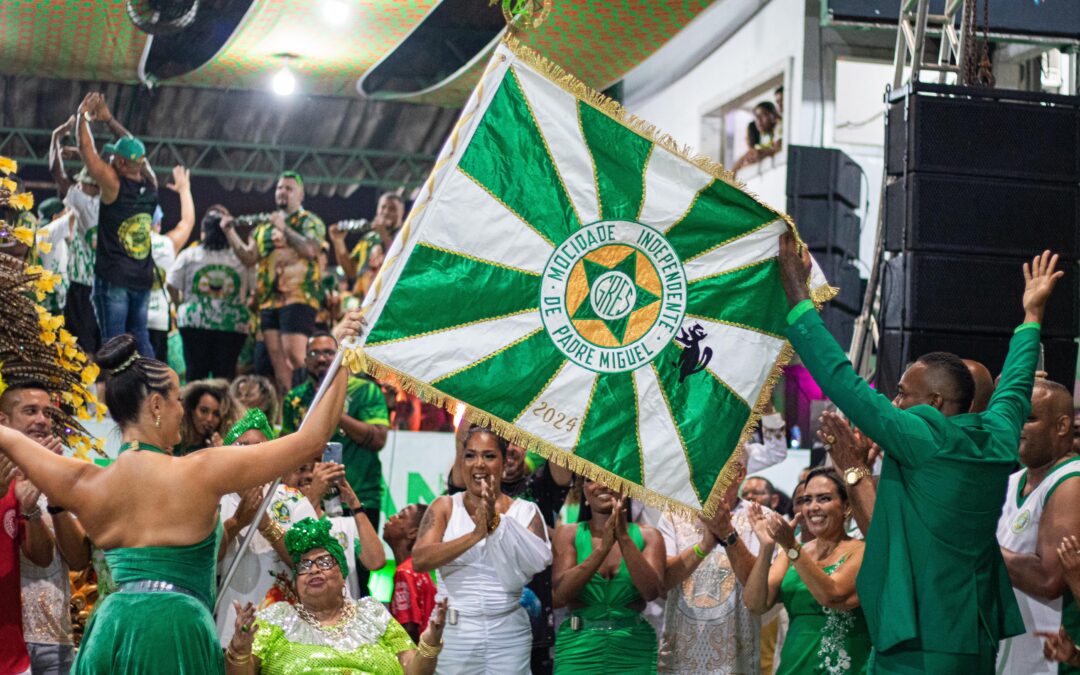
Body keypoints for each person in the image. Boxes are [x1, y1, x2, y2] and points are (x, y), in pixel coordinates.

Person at [0, 307, 361, 674]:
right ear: (156, 405)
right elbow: (312, 439)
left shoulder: (85, 481)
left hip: (110, 629)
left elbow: (10, 439)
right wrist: (344, 354)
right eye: (176, 398)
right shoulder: (201, 469)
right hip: (174, 631)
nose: (181, 409)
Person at [777, 234, 1063, 671]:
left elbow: (842, 381)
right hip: (973, 636)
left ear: (933, 404)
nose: (892, 403)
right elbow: (1016, 385)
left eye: (901, 393)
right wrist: (1032, 314)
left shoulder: (923, 438)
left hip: (918, 642)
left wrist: (798, 296)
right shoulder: (998, 437)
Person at [225, 517, 448, 674]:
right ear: (296, 581)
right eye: (304, 566)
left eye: (323, 562)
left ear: (342, 575)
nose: (313, 570)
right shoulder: (278, 617)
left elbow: (413, 671)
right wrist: (239, 650)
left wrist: (430, 642)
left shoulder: (372, 612)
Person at [412, 426, 552, 674]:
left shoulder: (526, 511)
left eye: (489, 456)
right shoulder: (445, 506)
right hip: (454, 631)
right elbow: (420, 560)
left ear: (502, 461)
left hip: (509, 632)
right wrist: (477, 534)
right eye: (470, 455)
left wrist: (498, 523)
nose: (479, 464)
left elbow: (538, 563)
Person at [282, 331, 389, 594]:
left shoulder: (365, 391)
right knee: (306, 568)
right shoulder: (294, 399)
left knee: (359, 575)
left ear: (341, 357)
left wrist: (333, 412)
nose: (322, 358)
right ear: (305, 360)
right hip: (305, 498)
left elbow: (378, 438)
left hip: (357, 494)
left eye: (329, 352)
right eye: (315, 353)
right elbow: (285, 450)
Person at [744, 467, 871, 674]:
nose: (813, 507)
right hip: (793, 668)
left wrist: (792, 547)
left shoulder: (861, 551)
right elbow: (755, 603)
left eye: (824, 499)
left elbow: (832, 594)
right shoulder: (791, 552)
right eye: (806, 500)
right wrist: (767, 546)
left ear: (846, 506)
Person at [3, 384, 93, 675]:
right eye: (30, 411)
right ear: (3, 421)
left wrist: (54, 492)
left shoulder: (65, 473)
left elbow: (79, 559)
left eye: (47, 413)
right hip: (10, 638)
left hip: (55, 637)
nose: (42, 419)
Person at [997, 379, 1080, 674]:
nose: (1017, 426)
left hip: (1048, 661)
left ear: (1061, 426)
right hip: (1007, 653)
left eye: (1029, 418)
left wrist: (978, 542)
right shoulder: (1013, 480)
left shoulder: (1072, 481)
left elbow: (1049, 580)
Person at [657, 461, 767, 673]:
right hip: (680, 655)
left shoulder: (761, 517)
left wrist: (727, 533)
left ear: (739, 473)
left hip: (736, 657)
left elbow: (759, 593)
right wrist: (704, 546)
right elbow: (662, 583)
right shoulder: (674, 515)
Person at [222, 171, 326, 392]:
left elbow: (310, 249)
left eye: (288, 188)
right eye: (279, 188)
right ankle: (290, 412)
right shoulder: (263, 229)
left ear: (301, 194)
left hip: (298, 297)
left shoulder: (309, 221)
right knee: (279, 365)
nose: (282, 192)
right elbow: (249, 257)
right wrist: (230, 233)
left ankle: (318, 401)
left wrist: (284, 228)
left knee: (296, 356)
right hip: (269, 301)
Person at [76, 92, 160, 357]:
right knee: (141, 337)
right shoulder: (151, 184)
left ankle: (119, 396)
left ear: (122, 163)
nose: (110, 160)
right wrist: (109, 120)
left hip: (114, 278)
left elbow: (85, 151)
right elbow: (139, 153)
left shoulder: (114, 186)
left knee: (114, 343)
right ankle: (153, 390)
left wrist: (82, 117)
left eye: (114, 158)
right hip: (142, 278)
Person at [551, 480, 664, 674]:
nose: (602, 484)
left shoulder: (649, 536)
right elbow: (562, 593)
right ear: (584, 490)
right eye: (591, 479)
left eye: (610, 476)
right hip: (578, 649)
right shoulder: (567, 534)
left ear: (626, 487)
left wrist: (624, 538)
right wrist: (603, 548)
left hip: (632, 649)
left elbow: (651, 591)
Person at [501, 443, 572, 675]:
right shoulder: (471, 493)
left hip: (535, 626)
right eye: (502, 439)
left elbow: (561, 464)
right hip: (486, 624)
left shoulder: (538, 485)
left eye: (517, 440)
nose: (510, 448)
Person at [168, 205, 255, 381]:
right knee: (224, 377)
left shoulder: (190, 255)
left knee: (195, 374)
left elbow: (171, 284)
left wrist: (181, 306)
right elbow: (254, 289)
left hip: (194, 322)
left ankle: (193, 408)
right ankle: (222, 409)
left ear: (203, 231)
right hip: (232, 324)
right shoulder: (242, 259)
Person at [145, 167, 197, 362]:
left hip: (131, 318)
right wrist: (184, 189)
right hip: (159, 320)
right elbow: (187, 222)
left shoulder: (124, 243)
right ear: (158, 223)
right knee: (157, 373)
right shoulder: (168, 244)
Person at [330, 192, 405, 298]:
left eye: (392, 209)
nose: (386, 212)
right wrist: (338, 242)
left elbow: (401, 261)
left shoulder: (406, 236)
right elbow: (351, 271)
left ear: (402, 213)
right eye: (383, 207)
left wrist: (383, 234)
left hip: (391, 298)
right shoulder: (370, 238)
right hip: (363, 301)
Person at [385, 504, 439, 643]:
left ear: (412, 533)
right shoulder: (417, 571)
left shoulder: (405, 572)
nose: (391, 517)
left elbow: (408, 630)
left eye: (400, 516)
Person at [176, 378, 242, 456]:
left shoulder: (224, 445)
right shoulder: (173, 440)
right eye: (204, 411)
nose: (209, 419)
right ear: (192, 409)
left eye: (216, 414)